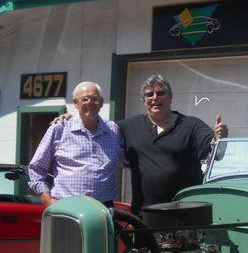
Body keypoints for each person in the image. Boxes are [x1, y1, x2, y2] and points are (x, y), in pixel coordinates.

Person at [117, 74, 228, 213]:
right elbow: (103, 135)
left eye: (160, 93)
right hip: (144, 215)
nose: (155, 98)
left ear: (170, 97)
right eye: (149, 94)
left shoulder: (191, 125)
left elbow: (214, 150)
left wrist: (218, 139)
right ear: (144, 100)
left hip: (184, 212)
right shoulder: (128, 126)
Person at [29, 82, 124, 207]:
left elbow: (127, 159)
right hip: (66, 208)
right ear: (75, 103)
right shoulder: (59, 128)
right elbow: (36, 168)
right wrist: (47, 200)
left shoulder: (113, 130)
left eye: (95, 99)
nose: (90, 102)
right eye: (85, 99)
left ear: (101, 103)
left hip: (104, 208)